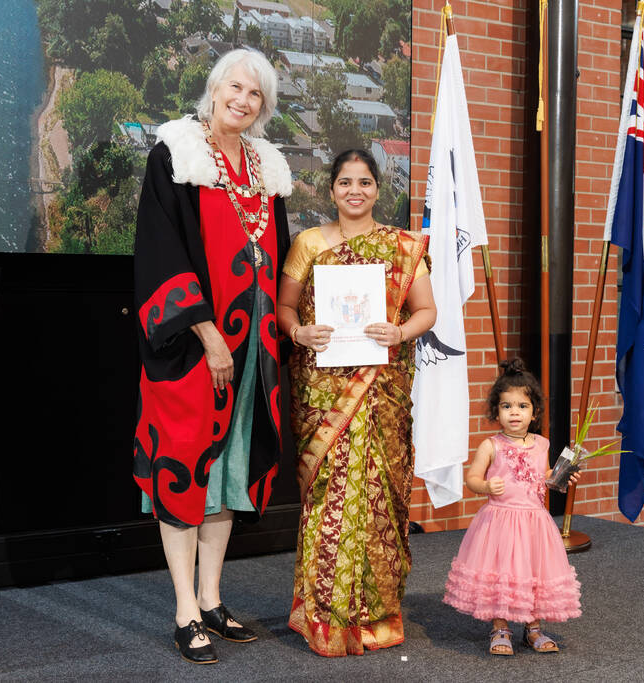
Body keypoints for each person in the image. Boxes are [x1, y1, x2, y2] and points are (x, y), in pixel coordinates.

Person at [131, 48, 292, 665]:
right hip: (193, 347)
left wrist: (291, 330)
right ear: (214, 88)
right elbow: (161, 251)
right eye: (236, 87)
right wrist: (207, 335)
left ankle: (213, 597)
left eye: (256, 95)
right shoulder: (175, 155)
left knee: (230, 468)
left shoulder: (267, 168)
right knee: (186, 466)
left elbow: (274, 261)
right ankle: (184, 612)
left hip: (254, 349)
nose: (244, 101)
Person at [277, 149, 437, 657]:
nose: (355, 191)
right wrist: (299, 331)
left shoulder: (402, 247)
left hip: (380, 389)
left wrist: (399, 330)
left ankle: (377, 617)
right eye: (345, 182)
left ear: (376, 189)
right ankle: (324, 617)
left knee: (376, 496)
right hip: (323, 392)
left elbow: (427, 311)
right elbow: (283, 307)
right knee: (329, 496)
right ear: (331, 190)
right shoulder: (307, 243)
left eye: (364, 182)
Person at [443, 358, 582, 655]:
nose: (514, 413)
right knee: (502, 574)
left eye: (522, 406)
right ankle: (500, 627)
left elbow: (543, 477)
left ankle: (532, 629)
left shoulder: (542, 444)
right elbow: (472, 478)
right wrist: (485, 486)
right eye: (507, 407)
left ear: (534, 413)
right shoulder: (490, 445)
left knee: (534, 573)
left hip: (534, 523)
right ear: (497, 411)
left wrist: (561, 475)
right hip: (500, 524)